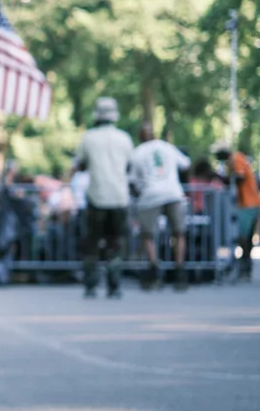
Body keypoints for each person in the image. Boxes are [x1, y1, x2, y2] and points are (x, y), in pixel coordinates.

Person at [74, 97, 134, 299]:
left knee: (92, 242)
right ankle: (114, 284)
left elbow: (81, 165)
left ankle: (91, 284)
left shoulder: (88, 138)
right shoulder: (125, 139)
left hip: (97, 196)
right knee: (115, 243)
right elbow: (129, 166)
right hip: (119, 198)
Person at [130, 122, 192, 291]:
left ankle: (154, 267)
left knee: (147, 235)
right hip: (173, 192)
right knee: (179, 233)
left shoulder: (137, 153)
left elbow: (133, 181)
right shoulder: (167, 147)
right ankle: (180, 269)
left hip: (150, 195)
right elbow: (186, 163)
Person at [212, 141, 260, 281]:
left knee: (243, 237)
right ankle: (245, 264)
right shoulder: (231, 162)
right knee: (245, 236)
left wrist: (224, 178)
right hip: (247, 203)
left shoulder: (236, 159)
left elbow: (240, 178)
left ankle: (245, 264)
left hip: (248, 203)